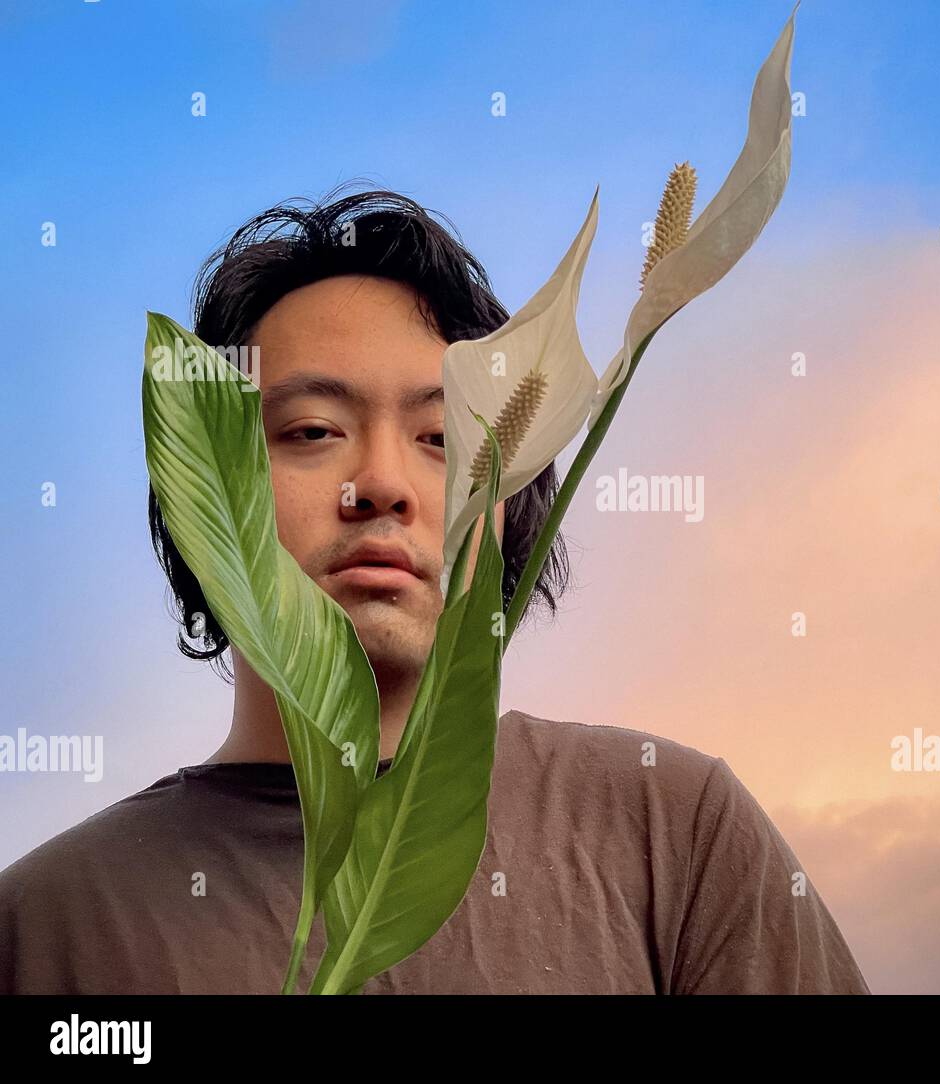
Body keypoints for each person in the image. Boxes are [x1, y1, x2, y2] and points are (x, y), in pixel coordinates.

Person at [0, 187, 869, 994]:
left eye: (443, 439)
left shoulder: (672, 830)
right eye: (312, 430)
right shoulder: (44, 929)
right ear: (205, 490)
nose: (382, 482)